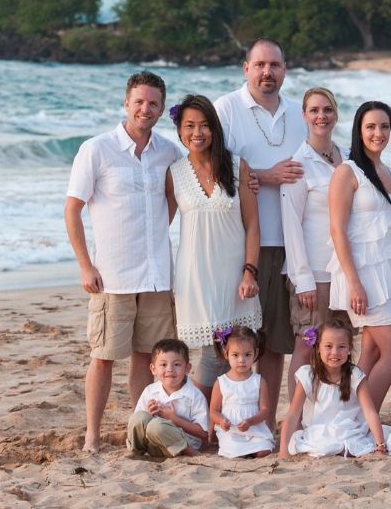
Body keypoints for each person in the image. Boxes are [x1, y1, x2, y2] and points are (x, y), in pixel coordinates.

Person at [66, 71, 180, 453]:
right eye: (139, 102)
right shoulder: (97, 149)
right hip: (111, 277)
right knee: (102, 358)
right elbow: (72, 210)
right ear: (126, 103)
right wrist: (85, 265)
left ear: (162, 109)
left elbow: (174, 196)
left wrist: (154, 234)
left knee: (146, 359)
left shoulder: (168, 151)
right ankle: (92, 436)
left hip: (156, 276)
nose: (145, 109)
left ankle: (138, 432)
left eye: (153, 104)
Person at [213, 38, 307, 423]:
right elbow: (212, 166)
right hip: (245, 244)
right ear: (245, 68)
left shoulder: (298, 113)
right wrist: (264, 176)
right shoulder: (227, 109)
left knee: (276, 342)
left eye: (275, 65)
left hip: (293, 241)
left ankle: (266, 421)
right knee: (240, 340)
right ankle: (230, 419)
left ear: (285, 69)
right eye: (260, 65)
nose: (267, 72)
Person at [165, 94, 262, 392]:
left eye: (205, 125)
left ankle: (215, 420)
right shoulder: (174, 173)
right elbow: (160, 226)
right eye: (190, 125)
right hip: (195, 274)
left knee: (233, 350)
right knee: (211, 352)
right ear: (180, 131)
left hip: (234, 273)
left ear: (215, 129)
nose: (197, 133)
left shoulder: (236, 166)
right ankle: (203, 421)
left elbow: (253, 224)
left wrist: (249, 271)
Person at [327, 101, 391, 410]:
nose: (378, 133)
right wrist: (354, 283)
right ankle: (362, 417)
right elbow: (337, 230)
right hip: (364, 275)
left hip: (390, 274)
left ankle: (345, 413)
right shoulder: (347, 171)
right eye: (371, 127)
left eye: (384, 126)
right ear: (359, 131)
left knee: (372, 354)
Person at [280, 87, 353, 397]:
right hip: (314, 274)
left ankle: (335, 406)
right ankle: (298, 414)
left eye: (327, 110)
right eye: (314, 110)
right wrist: (303, 279)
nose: (321, 116)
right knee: (307, 345)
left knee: (342, 346)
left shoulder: (347, 157)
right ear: (304, 115)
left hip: (344, 272)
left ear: (335, 114)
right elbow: (291, 224)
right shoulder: (299, 163)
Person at [278, 320, 391, 457]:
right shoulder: (308, 375)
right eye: (328, 346)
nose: (335, 352)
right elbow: (293, 414)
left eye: (341, 347)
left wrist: (380, 445)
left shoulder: (355, 375)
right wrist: (283, 449)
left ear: (349, 348)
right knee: (320, 447)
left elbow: (369, 411)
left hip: (349, 429)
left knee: (349, 446)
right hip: (318, 431)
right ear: (318, 347)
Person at [126, 338, 211, 458]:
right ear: (153, 369)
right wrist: (149, 414)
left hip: (179, 447)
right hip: (152, 445)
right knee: (139, 417)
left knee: (157, 426)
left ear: (187, 368)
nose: (170, 369)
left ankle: (189, 451)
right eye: (163, 364)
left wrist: (174, 419)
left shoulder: (195, 395)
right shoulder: (150, 391)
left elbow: (203, 433)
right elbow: (139, 422)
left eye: (176, 364)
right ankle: (135, 452)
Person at [209, 326, 274, 458]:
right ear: (225, 353)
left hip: (254, 428)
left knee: (265, 450)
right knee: (232, 450)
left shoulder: (259, 381)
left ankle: (253, 450)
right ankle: (241, 452)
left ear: (255, 354)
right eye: (235, 355)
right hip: (231, 430)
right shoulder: (221, 382)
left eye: (247, 355)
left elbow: (265, 410)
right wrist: (222, 421)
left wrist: (250, 421)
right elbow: (213, 411)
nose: (241, 360)